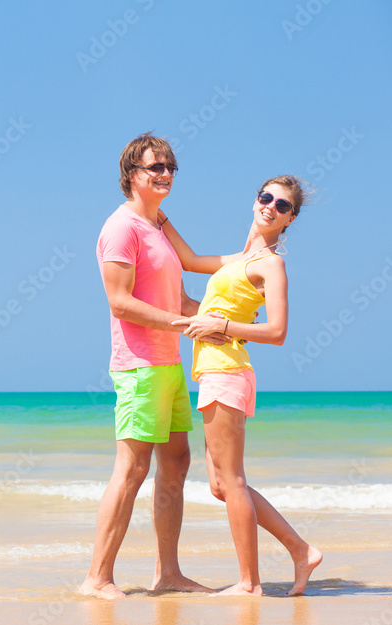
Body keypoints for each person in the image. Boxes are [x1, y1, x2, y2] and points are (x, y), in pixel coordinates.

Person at [162, 175, 323, 596]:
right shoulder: (237, 259)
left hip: (228, 371)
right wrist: (156, 218)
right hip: (213, 371)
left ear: (289, 220)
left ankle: (250, 583)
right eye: (266, 197)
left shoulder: (271, 264)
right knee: (220, 485)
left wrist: (223, 325)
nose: (271, 206)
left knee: (231, 482)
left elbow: (278, 331)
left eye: (282, 205)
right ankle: (300, 549)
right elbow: (189, 259)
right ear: (255, 201)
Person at [81, 133, 223, 599]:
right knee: (132, 467)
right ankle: (97, 578)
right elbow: (120, 303)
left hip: (170, 362)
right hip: (138, 365)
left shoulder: (157, 226)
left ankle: (168, 574)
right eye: (154, 168)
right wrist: (183, 322)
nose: (164, 174)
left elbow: (179, 298)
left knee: (177, 462)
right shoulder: (120, 228)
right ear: (130, 175)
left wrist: (227, 321)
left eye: (169, 168)